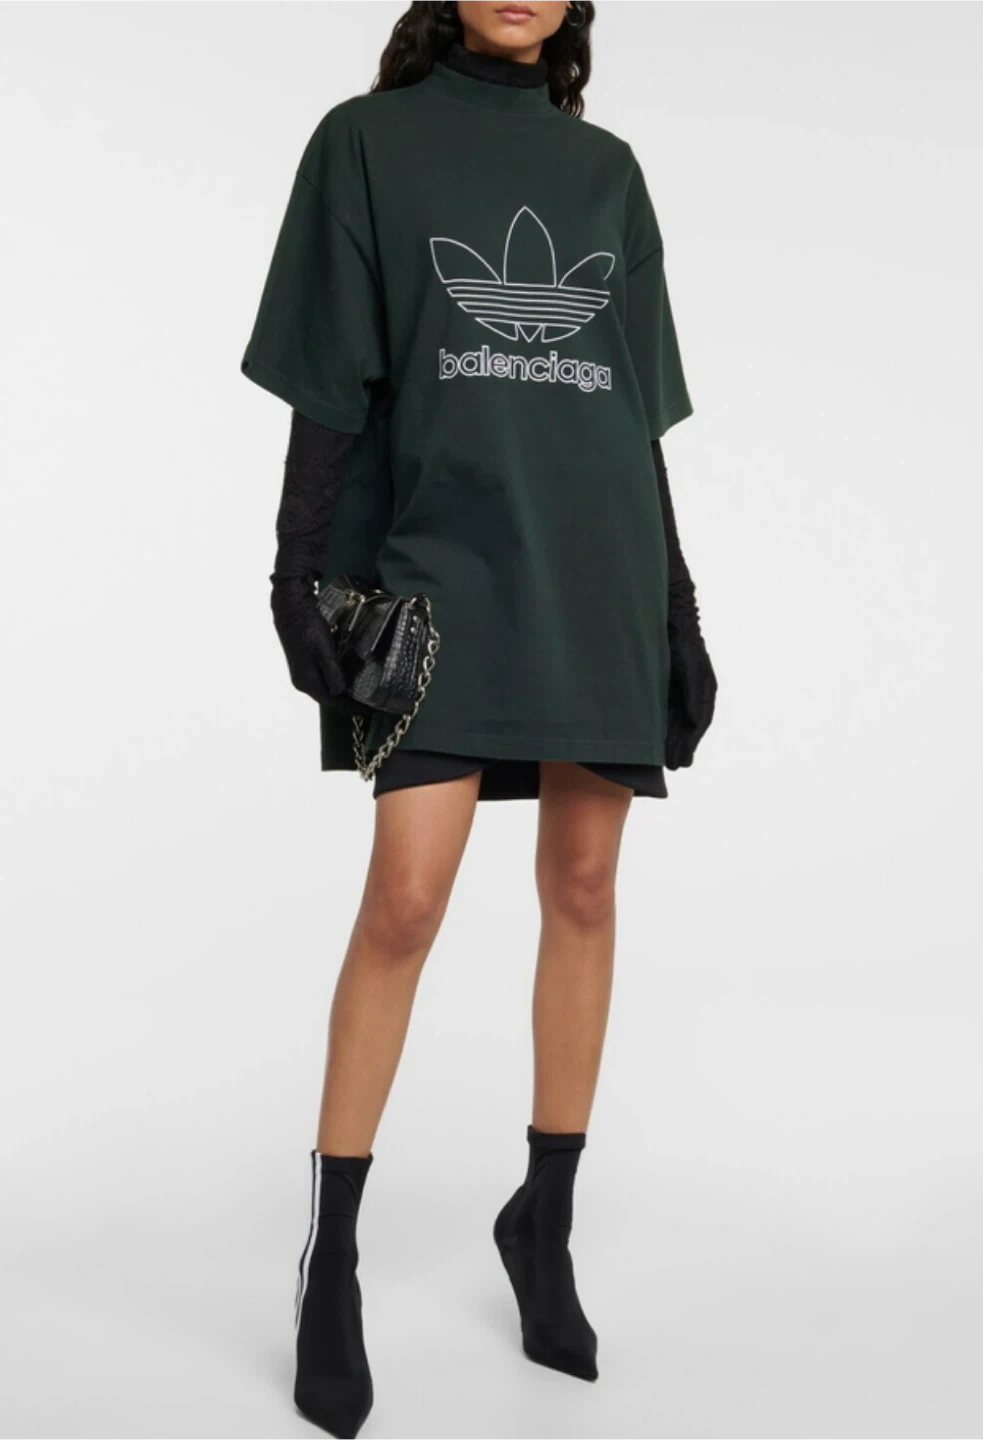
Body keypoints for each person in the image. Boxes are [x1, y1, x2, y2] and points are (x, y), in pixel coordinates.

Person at [240, 2, 716, 1435]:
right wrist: (295, 573)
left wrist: (677, 605)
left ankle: (543, 1226)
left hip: (596, 566)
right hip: (440, 564)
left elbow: (630, 412)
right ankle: (331, 1260)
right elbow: (330, 378)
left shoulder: (605, 171)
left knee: (584, 882)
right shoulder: (365, 145)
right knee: (405, 899)